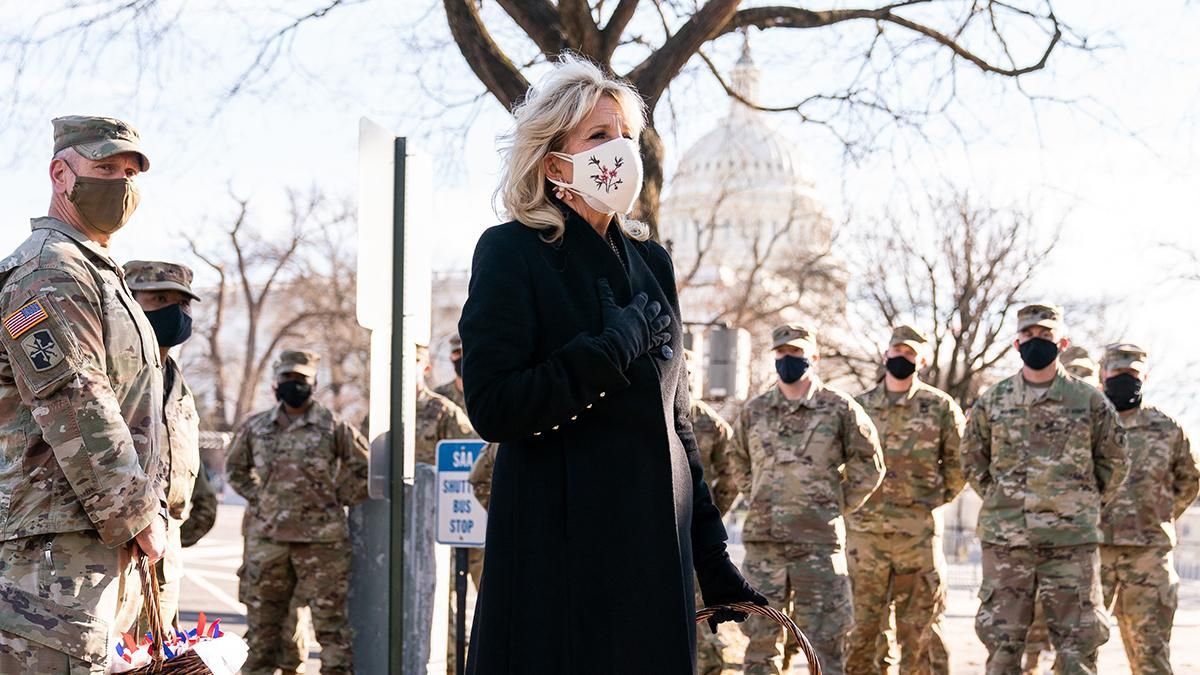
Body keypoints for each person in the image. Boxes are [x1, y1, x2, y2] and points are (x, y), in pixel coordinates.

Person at [458, 55, 764, 674]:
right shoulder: (512, 251)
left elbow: (679, 429)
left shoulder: (654, 264)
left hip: (655, 556)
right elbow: (495, 405)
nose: (620, 150)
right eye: (599, 135)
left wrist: (712, 556)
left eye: (626, 135)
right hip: (561, 559)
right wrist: (604, 352)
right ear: (553, 161)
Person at [0, 115, 167, 674]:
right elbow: (75, 396)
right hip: (49, 561)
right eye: (104, 168)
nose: (120, 183)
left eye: (129, 172)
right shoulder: (49, 268)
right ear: (60, 174)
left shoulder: (95, 270)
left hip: (82, 546)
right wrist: (139, 515)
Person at [962, 302, 1127, 674]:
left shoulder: (1090, 402)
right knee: (1002, 648)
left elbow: (1114, 462)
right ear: (1016, 344)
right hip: (1007, 546)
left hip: (1072, 545)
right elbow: (973, 461)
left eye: (1046, 335)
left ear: (1062, 342)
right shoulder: (993, 402)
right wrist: (1003, 503)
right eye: (1029, 335)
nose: (1037, 341)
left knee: (1077, 649)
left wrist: (1081, 505)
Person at [729, 323, 885, 675]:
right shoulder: (756, 410)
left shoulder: (839, 408)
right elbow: (736, 458)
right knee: (759, 644)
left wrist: (833, 505)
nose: (788, 359)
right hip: (764, 544)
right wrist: (758, 495)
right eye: (782, 353)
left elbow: (870, 464)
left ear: (813, 357)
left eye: (796, 353)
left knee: (827, 644)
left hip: (818, 546)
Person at [226, 349, 370, 675]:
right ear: (276, 384)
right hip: (269, 542)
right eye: (287, 378)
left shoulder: (333, 427)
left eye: (301, 379)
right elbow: (236, 470)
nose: (294, 384)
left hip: (323, 545)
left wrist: (335, 498)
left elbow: (366, 471)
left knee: (332, 631)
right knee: (263, 633)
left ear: (314, 383)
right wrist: (261, 499)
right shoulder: (257, 427)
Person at [846, 325, 965, 675]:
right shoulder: (859, 407)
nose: (902, 358)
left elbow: (961, 463)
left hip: (918, 538)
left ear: (922, 360)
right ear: (886, 354)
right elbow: (844, 464)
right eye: (897, 351)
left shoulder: (940, 407)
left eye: (910, 353)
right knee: (862, 633)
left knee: (921, 634)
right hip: (864, 539)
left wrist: (929, 500)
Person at [120, 260, 218, 631]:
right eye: (159, 298)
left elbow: (191, 487)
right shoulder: (107, 374)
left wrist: (171, 538)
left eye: (183, 304)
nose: (176, 313)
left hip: (163, 571)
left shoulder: (179, 386)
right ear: (129, 303)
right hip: (110, 563)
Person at [1098, 342, 1199, 674]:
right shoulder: (1086, 423)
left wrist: (1158, 516)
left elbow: (1189, 480)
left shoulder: (1167, 428)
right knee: (1075, 653)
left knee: (1150, 656)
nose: (1125, 379)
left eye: (1133, 373)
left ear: (1146, 376)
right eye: (1118, 372)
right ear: (1103, 374)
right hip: (1090, 552)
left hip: (1149, 556)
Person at [1021, 343, 1101, 674]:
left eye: (1087, 377)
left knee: (1083, 629)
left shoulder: (1098, 416)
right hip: (1036, 535)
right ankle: (1032, 662)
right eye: (1076, 373)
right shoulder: (1033, 411)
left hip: (1084, 539)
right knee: (1034, 614)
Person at [434, 333, 469, 411]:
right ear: (451, 358)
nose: (462, 357)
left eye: (465, 352)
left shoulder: (486, 393)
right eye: (458, 353)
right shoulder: (440, 395)